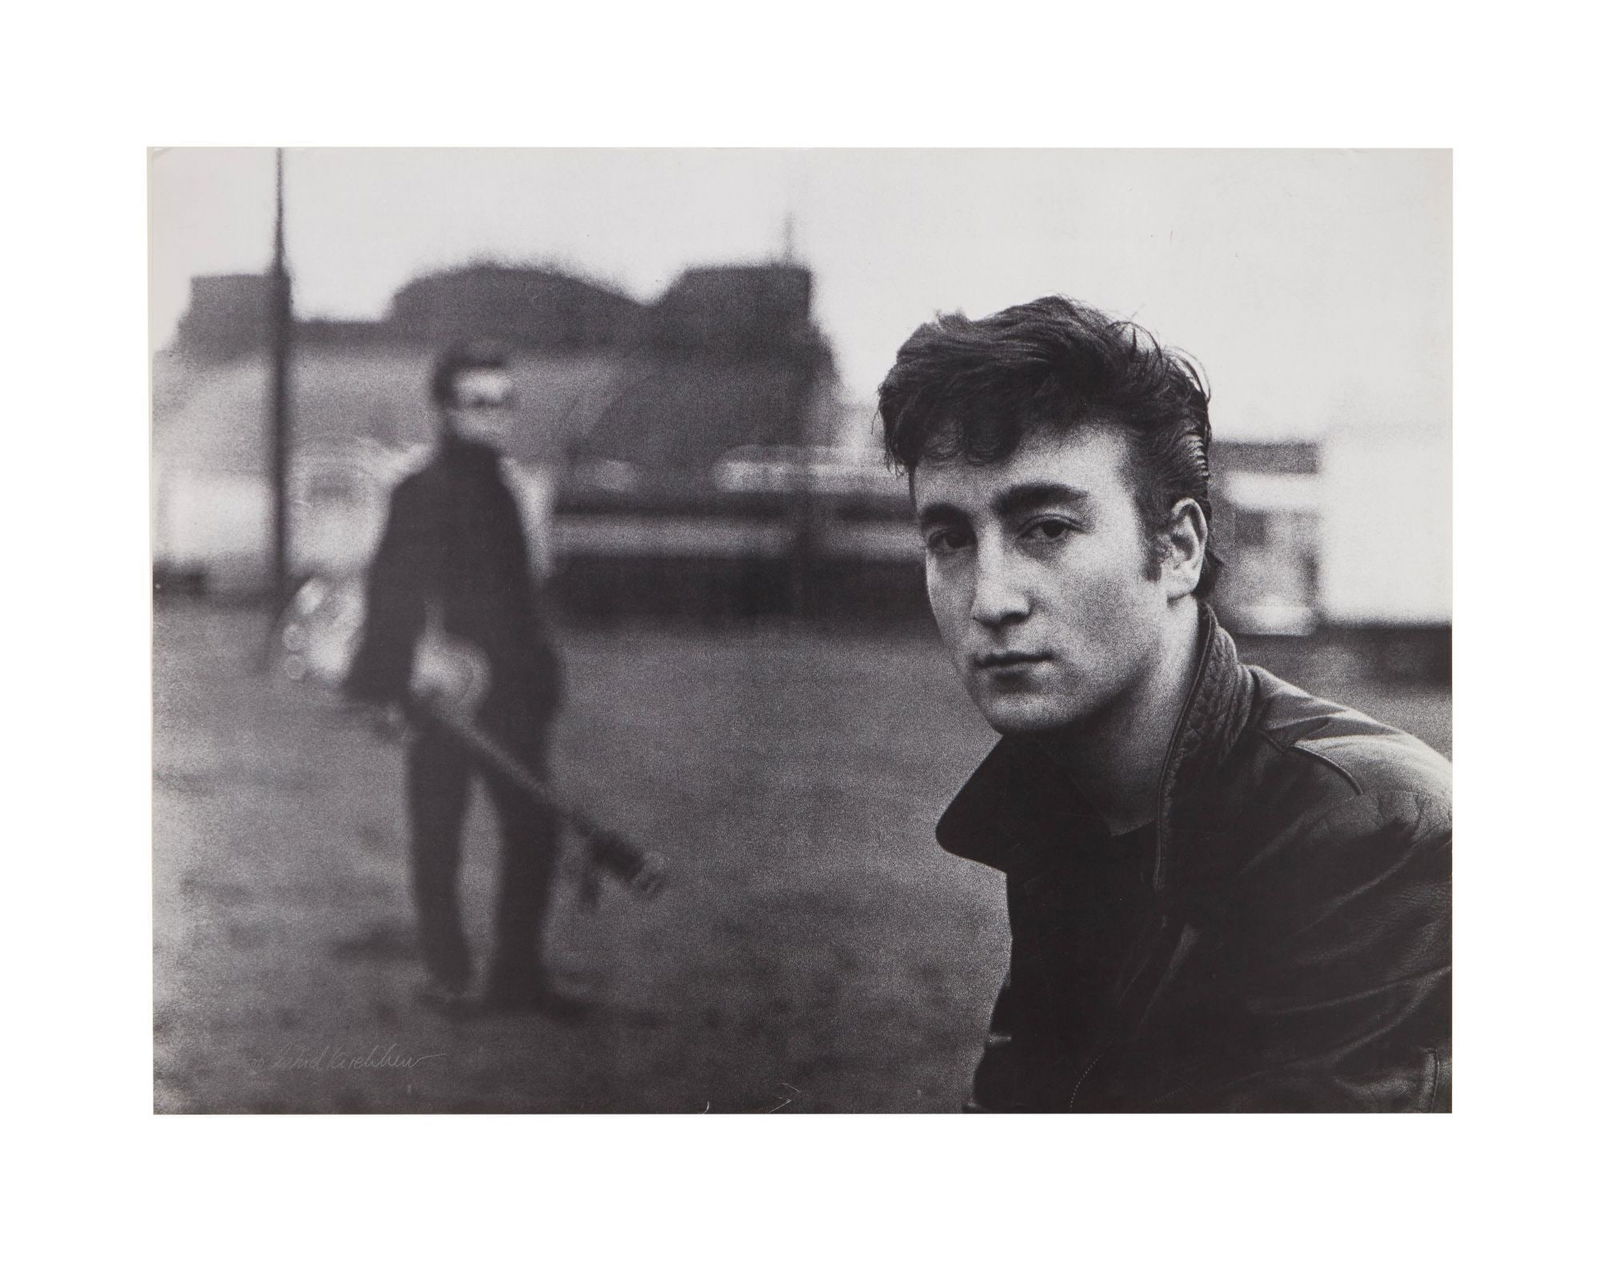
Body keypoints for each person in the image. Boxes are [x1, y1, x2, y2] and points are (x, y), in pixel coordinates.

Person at [877, 296, 1451, 1111]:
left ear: (1179, 548)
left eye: (1045, 528)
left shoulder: (1372, 831)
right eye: (950, 539)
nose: (990, 597)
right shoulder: (1070, 805)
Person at [344, 342, 567, 1014]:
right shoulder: (420, 491)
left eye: (504, 401)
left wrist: (539, 677)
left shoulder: (508, 492)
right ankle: (449, 974)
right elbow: (392, 594)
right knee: (438, 834)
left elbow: (523, 599)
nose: (494, 416)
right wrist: (399, 678)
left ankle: (515, 974)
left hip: (511, 693)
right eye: (479, 402)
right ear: (446, 410)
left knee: (536, 828)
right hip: (444, 690)